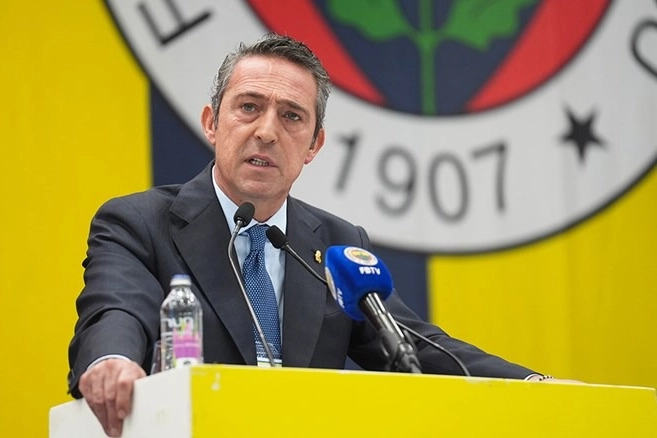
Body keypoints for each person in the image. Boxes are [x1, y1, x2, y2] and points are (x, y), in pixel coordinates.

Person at [68, 33, 563, 437]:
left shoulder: (337, 244)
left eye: (291, 116)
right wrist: (113, 359)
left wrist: (536, 385)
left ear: (313, 145)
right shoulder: (139, 223)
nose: (267, 132)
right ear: (212, 124)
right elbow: (117, 309)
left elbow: (416, 345)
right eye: (249, 107)